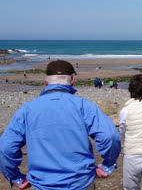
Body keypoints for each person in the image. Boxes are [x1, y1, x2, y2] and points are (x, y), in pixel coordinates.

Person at [0, 60, 121, 190]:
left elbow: (5, 148)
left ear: (45, 81)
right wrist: (107, 165)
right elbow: (110, 136)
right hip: (80, 183)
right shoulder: (84, 106)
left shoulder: (27, 109)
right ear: (73, 79)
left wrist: (16, 177)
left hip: (43, 184)